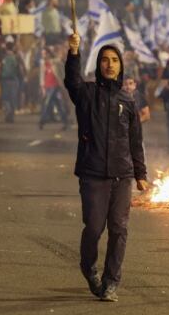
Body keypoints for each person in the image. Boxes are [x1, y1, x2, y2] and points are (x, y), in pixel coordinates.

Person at [64, 33, 148, 302]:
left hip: (121, 176)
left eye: (114, 61)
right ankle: (88, 268)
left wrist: (140, 174)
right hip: (92, 174)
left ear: (121, 66)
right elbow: (71, 82)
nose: (109, 65)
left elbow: (135, 141)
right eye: (104, 60)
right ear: (99, 65)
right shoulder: (87, 94)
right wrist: (74, 53)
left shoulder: (128, 101)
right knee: (94, 228)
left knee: (119, 229)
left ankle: (111, 282)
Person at [39, 46, 69, 129]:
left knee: (47, 104)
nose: (43, 55)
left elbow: (62, 72)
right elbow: (42, 76)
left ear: (48, 54)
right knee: (58, 105)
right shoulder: (43, 64)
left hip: (55, 86)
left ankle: (41, 121)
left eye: (45, 54)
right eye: (42, 54)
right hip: (47, 86)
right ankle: (65, 122)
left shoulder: (55, 62)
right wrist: (42, 87)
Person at [0, 40, 23, 123]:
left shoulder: (3, 56)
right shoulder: (16, 57)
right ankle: (11, 116)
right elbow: (20, 69)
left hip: (4, 80)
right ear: (13, 48)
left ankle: (7, 113)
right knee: (13, 98)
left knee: (5, 98)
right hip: (14, 80)